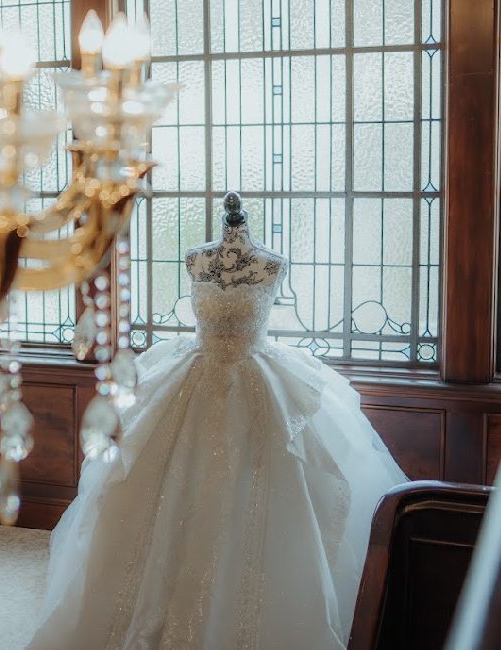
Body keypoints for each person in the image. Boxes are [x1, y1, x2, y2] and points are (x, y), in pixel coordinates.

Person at [27, 192, 408, 649]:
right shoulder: (196, 257)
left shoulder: (272, 263)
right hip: (193, 375)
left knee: (261, 490)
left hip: (256, 380)